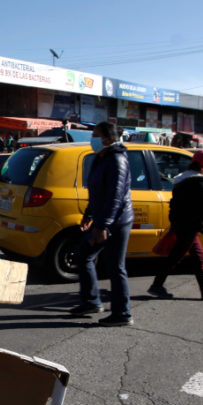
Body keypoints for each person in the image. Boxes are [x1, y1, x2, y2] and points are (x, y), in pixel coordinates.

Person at [68, 121, 134, 326]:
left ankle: (123, 314)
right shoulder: (100, 158)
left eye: (95, 135)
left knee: (116, 267)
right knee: (82, 256)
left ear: (108, 139)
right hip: (101, 219)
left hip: (117, 222)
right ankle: (91, 302)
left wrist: (103, 225)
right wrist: (89, 215)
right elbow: (96, 192)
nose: (92, 139)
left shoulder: (117, 160)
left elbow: (116, 196)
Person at [147, 149, 203, 301]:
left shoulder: (181, 180)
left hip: (182, 224)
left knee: (199, 256)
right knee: (175, 257)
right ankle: (157, 286)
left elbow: (175, 204)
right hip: (189, 226)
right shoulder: (199, 182)